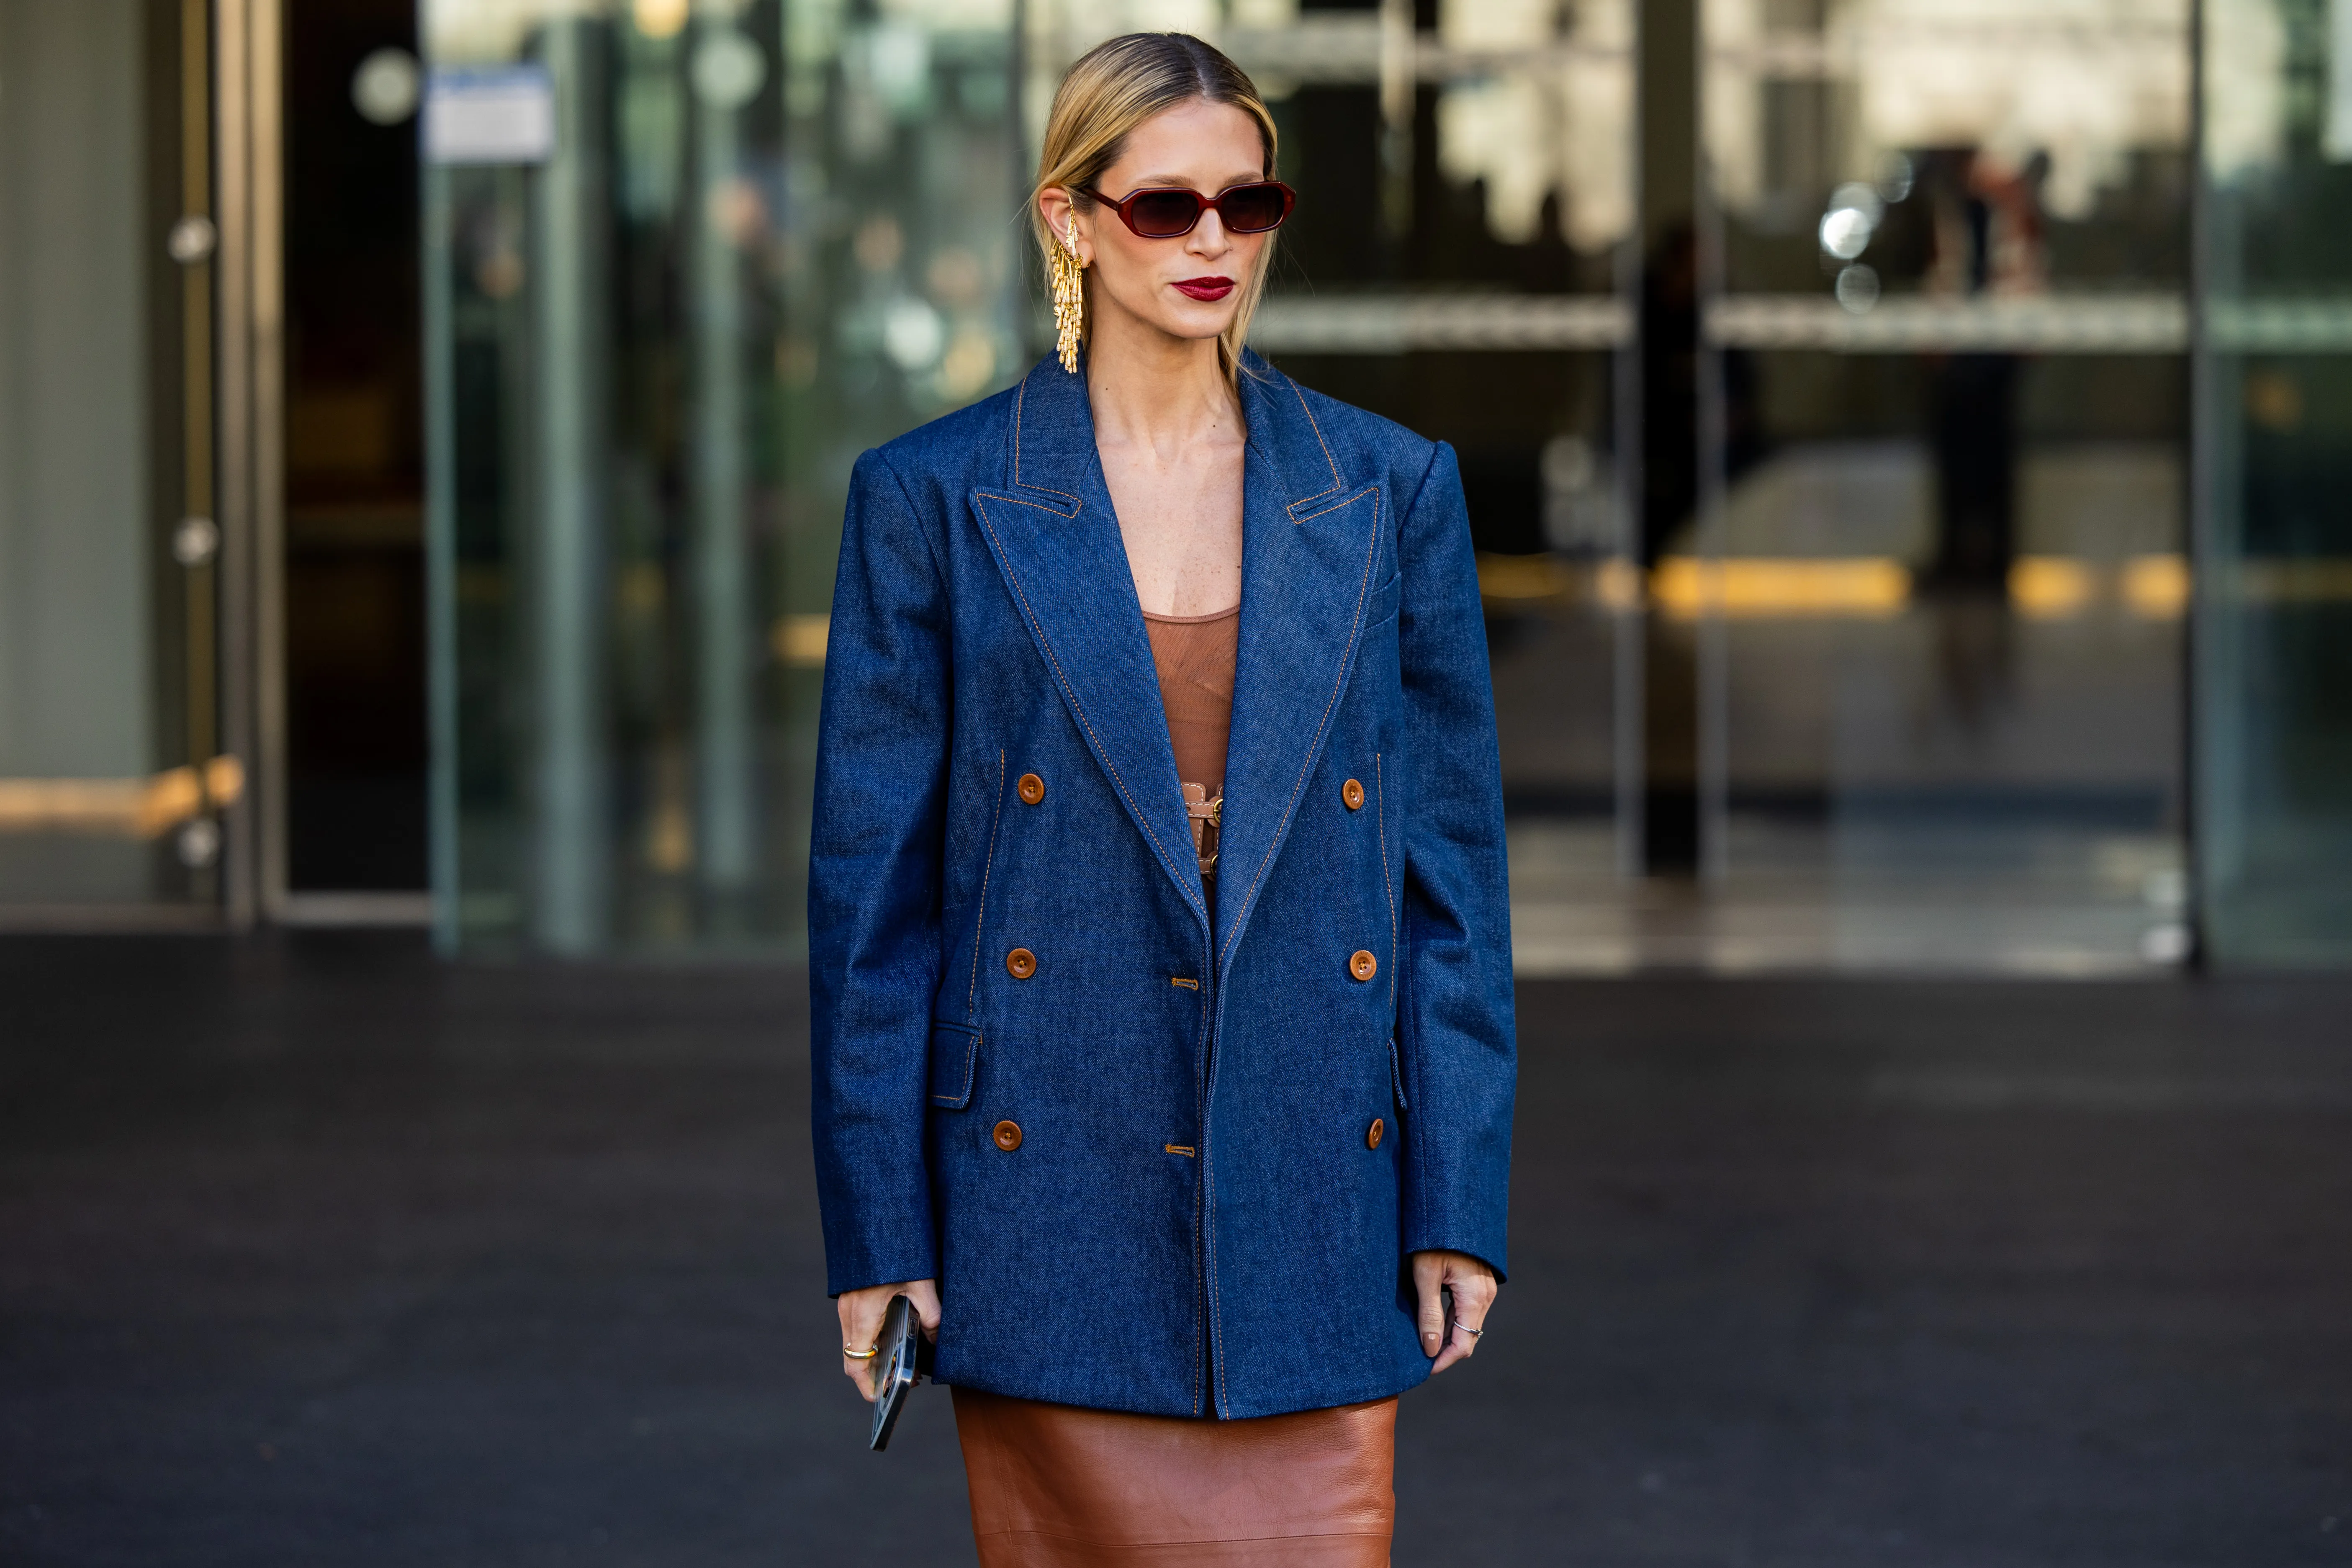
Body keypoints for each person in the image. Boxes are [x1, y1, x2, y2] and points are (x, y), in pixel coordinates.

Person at [809, 31, 1516, 1566]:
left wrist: (1460, 1196)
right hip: (1046, 1198)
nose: (1211, 242)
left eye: (1246, 207)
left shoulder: (1387, 489)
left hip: (1317, 1183)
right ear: (1069, 216)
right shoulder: (932, 497)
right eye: (1164, 207)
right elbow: (876, 911)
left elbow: (1448, 877)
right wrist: (880, 1232)